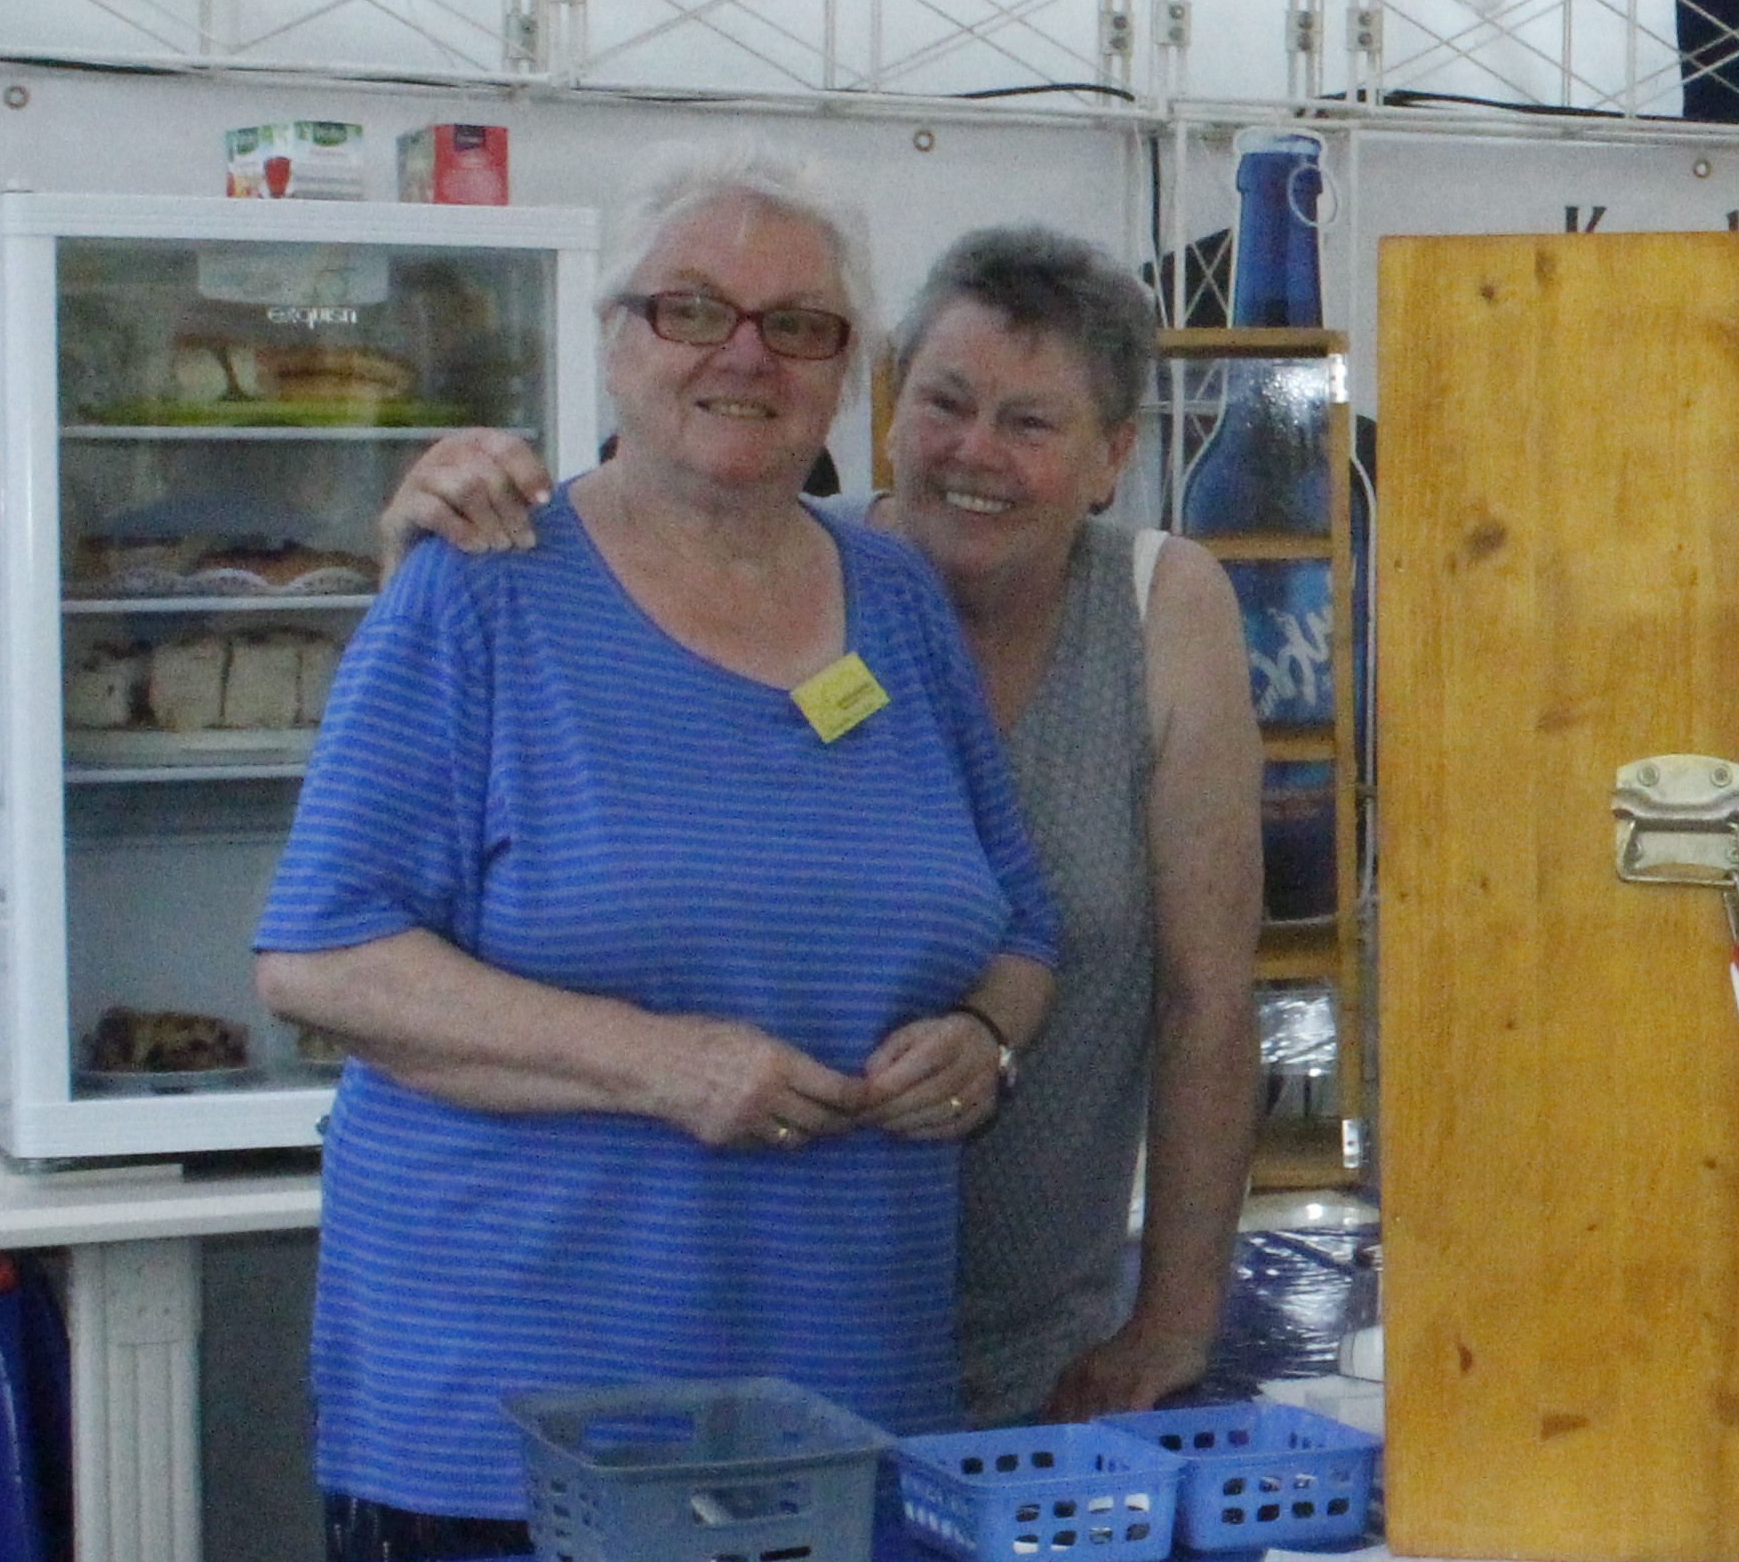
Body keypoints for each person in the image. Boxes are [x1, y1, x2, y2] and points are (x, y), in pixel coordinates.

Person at [260, 157, 1058, 1561]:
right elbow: (322, 960)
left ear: (842, 373)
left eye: (797, 324)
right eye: (693, 310)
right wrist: (663, 1066)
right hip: (521, 1429)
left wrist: (982, 1040)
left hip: (844, 1411)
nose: (744, 353)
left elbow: (1024, 927)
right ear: (615, 339)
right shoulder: (481, 583)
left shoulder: (896, 603)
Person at [382, 230, 1271, 1430]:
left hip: (1045, 1344)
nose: (975, 455)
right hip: (752, 1322)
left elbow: (1207, 999)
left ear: (1114, 456)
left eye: (1031, 424)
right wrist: (424, 534)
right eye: (945, 404)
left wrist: (1173, 1320)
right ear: (889, 407)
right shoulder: (767, 566)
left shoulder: (1162, 608)